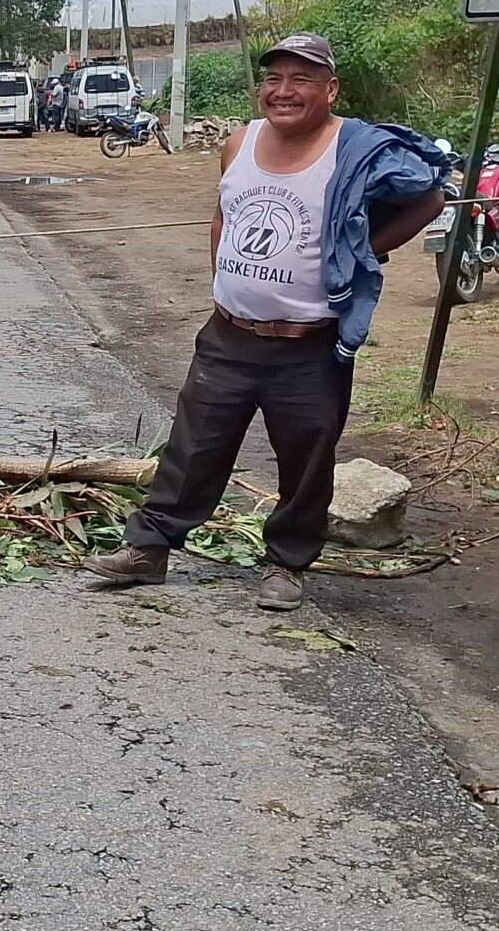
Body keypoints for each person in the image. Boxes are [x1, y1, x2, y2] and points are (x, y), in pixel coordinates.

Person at [83, 33, 447, 610]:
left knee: (307, 457)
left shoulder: (354, 149)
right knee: (192, 447)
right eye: (274, 79)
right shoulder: (240, 141)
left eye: (301, 80)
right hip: (229, 333)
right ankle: (149, 549)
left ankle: (287, 563)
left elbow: (430, 197)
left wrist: (363, 250)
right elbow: (223, 215)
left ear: (330, 89)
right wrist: (224, 285)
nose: (284, 91)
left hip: (309, 343)